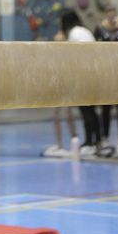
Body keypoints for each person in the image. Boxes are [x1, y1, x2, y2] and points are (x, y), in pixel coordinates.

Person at [94, 4, 118, 155]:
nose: (111, 14)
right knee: (106, 107)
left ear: (116, 12)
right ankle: (105, 138)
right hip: (106, 71)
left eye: (113, 11)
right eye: (108, 11)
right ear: (106, 13)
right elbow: (92, 47)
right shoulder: (100, 28)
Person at [60, 8, 101, 153]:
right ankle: (97, 140)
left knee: (86, 111)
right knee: (91, 110)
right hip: (94, 72)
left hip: (84, 75)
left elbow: (72, 57)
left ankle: (90, 141)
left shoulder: (74, 33)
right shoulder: (85, 31)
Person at [43, 29, 79, 157]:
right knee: (56, 115)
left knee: (69, 116)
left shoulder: (68, 55)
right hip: (57, 86)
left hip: (67, 86)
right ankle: (59, 145)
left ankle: (74, 142)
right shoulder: (53, 55)